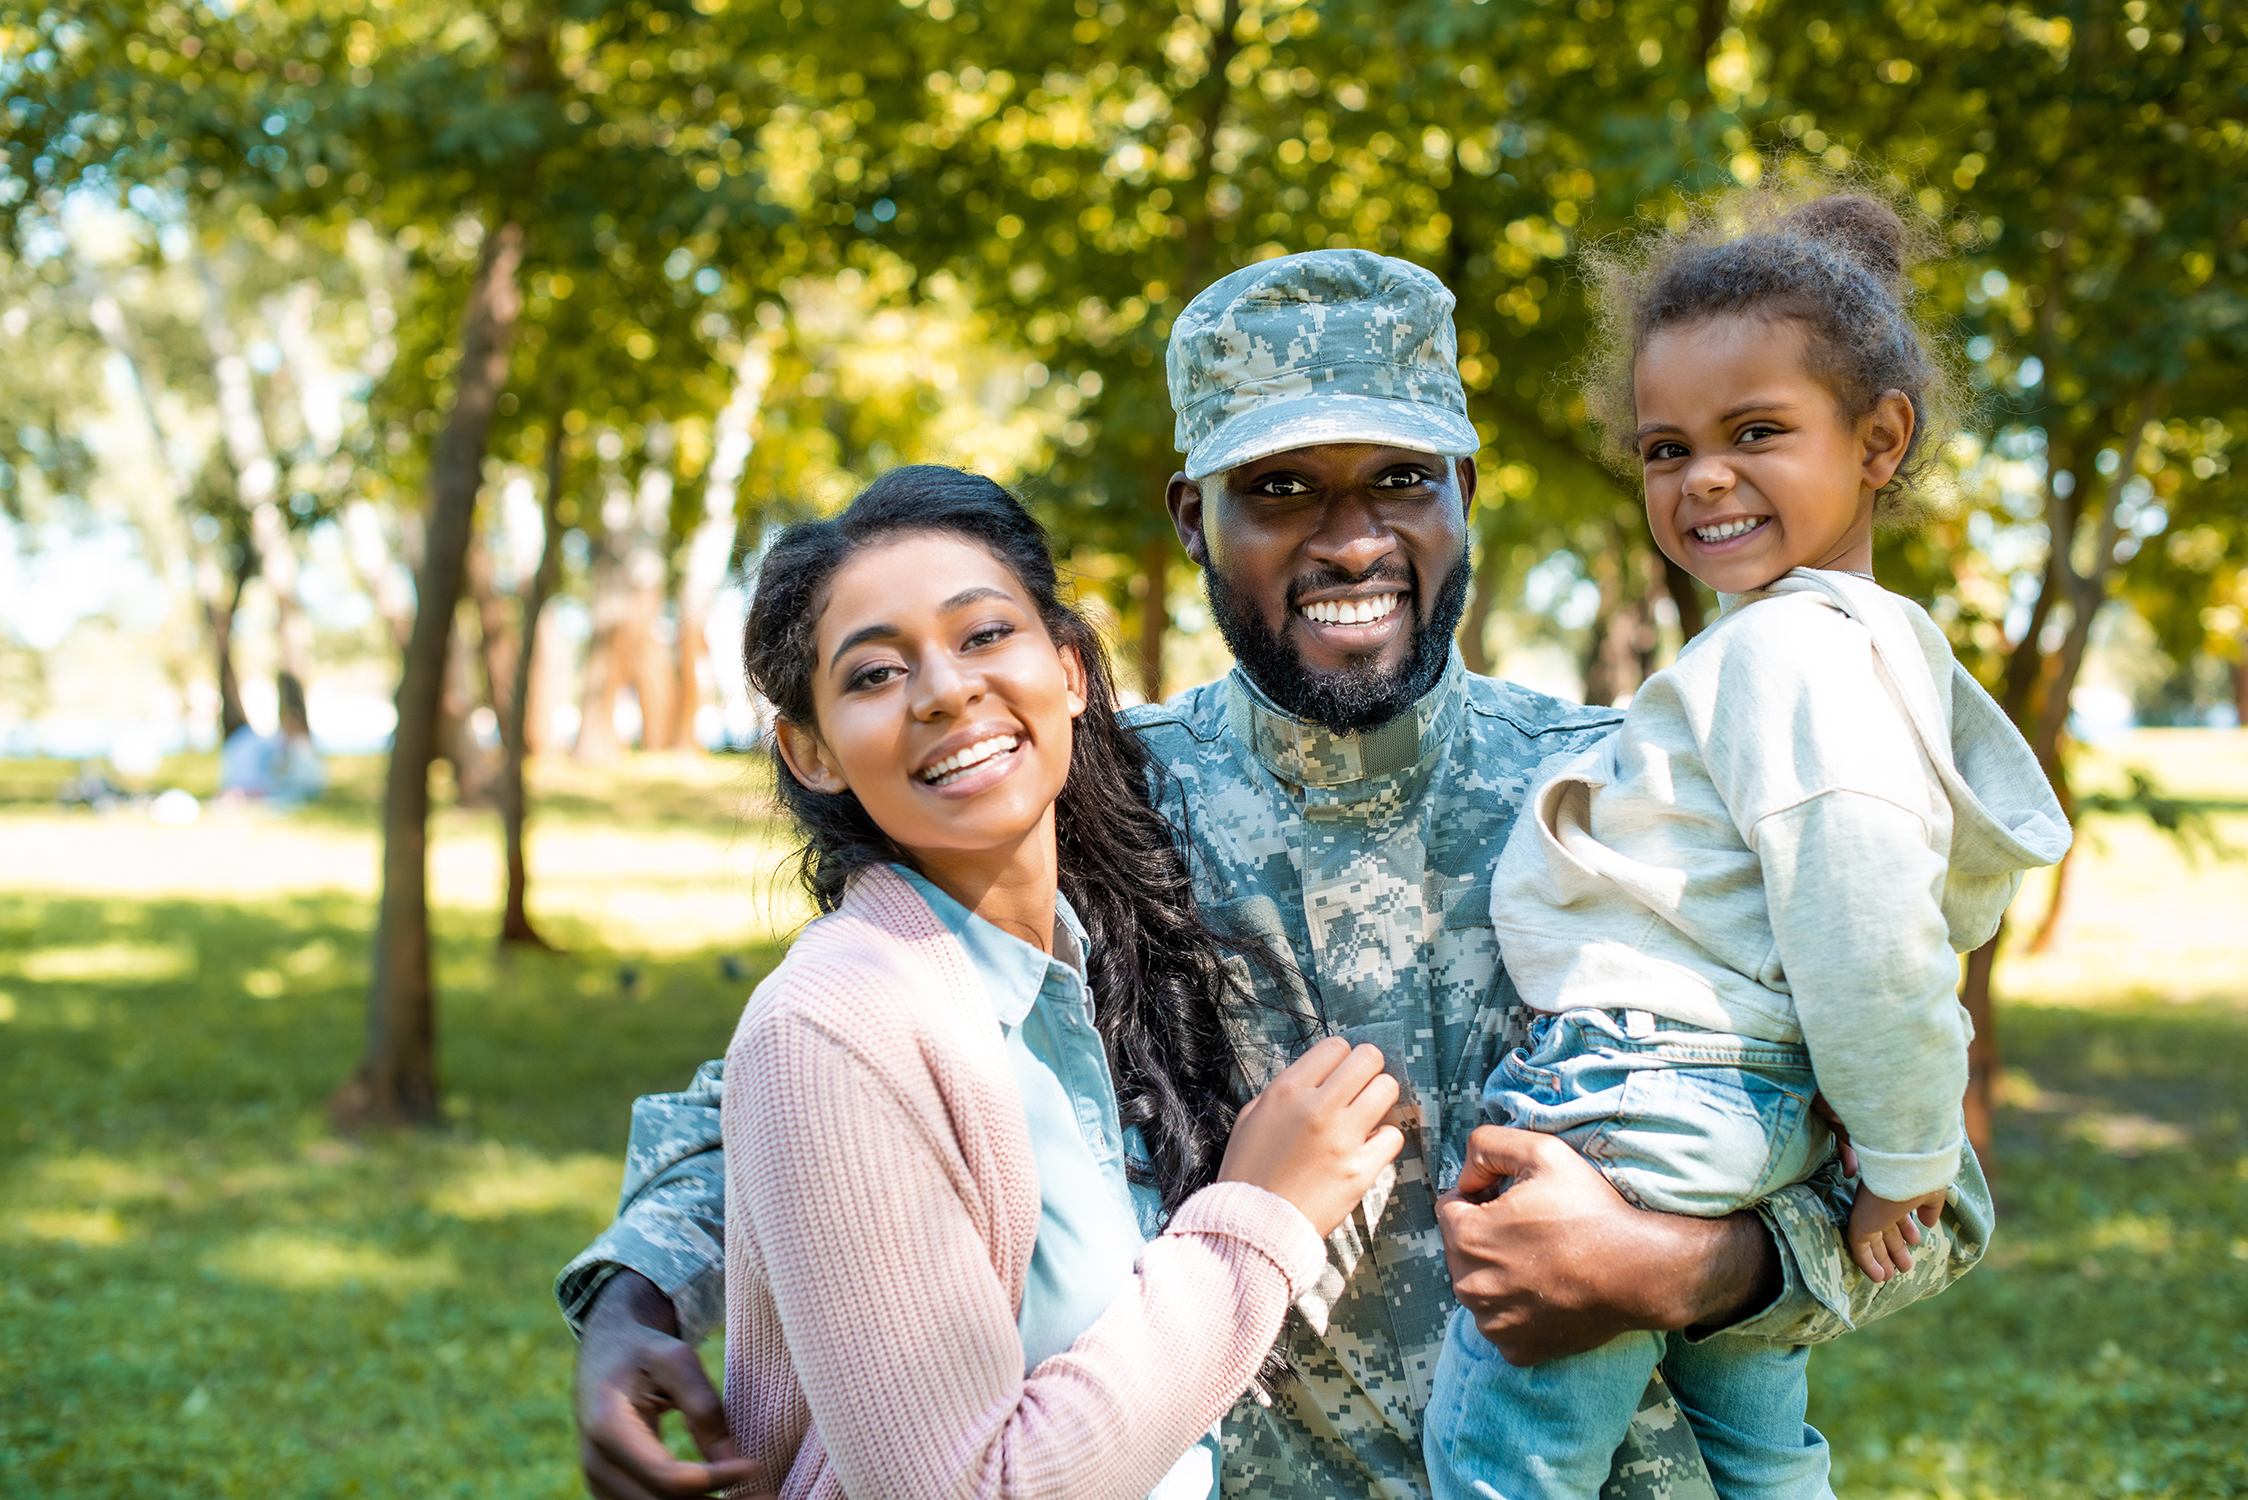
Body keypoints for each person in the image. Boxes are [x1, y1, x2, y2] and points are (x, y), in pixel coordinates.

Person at [557, 250, 1996, 1500]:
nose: (1351, 536)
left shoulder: (1640, 796)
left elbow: (1937, 1200)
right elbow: (826, 1073)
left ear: (1467, 496)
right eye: (1283, 488)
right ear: (1194, 517)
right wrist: (632, 1295)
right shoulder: (1088, 802)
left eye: (1399, 483)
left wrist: (1674, 1270)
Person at [1419, 194, 2070, 1500]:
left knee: (1503, 1461)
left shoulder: (1790, 656)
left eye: (1756, 432)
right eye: (1667, 448)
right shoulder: (1857, 651)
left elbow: (1868, 934)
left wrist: (1905, 1163)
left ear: (1881, 439)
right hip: (1752, 1113)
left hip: (1648, 1093)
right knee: (1763, 1455)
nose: (1701, 477)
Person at [715, 467, 1405, 1498]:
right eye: (872, 675)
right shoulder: (833, 1026)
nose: (945, 689)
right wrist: (1260, 1217)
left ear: (1072, 670)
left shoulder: (1085, 955)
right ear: (808, 751)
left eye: (985, 634)